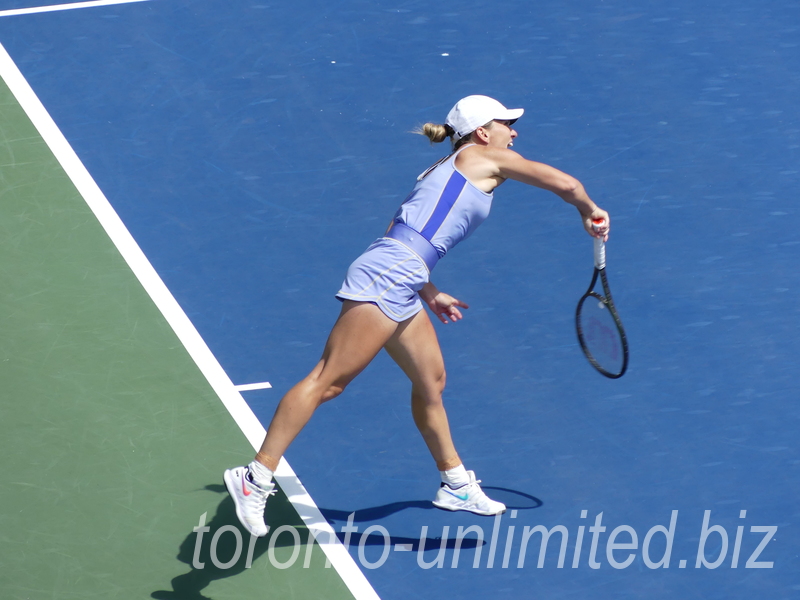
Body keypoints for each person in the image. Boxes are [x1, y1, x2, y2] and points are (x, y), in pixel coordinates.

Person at [224, 95, 610, 537]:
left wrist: (429, 290)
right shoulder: (486, 156)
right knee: (328, 381)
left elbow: (401, 230)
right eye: (507, 123)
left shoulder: (443, 168)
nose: (514, 131)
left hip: (403, 276)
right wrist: (590, 211)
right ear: (483, 132)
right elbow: (565, 183)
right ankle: (254, 478)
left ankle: (456, 484)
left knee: (431, 381)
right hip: (390, 276)